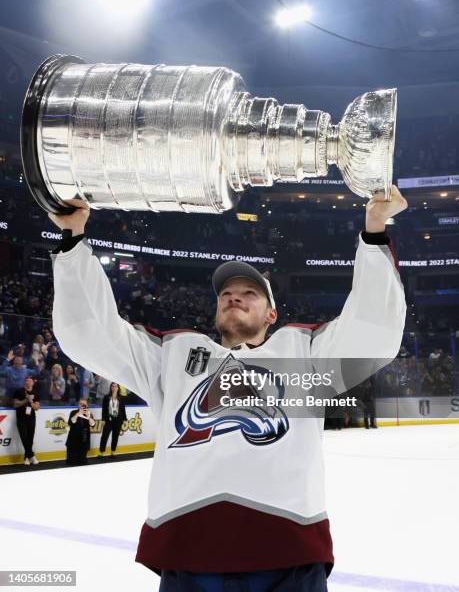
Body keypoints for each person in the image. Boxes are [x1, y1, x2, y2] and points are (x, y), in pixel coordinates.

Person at [48, 186, 408, 591]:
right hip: (188, 559)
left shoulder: (302, 353)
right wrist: (73, 239)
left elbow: (373, 334)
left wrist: (375, 230)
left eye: (248, 294)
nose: (234, 298)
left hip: (289, 559)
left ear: (272, 313)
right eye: (226, 294)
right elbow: (91, 335)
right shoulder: (174, 354)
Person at [13, 376, 40, 465]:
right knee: (24, 437)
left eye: (30, 381)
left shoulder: (35, 393)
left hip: (31, 418)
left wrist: (31, 401)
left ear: (33, 383)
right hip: (21, 418)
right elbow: (16, 404)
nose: (28, 382)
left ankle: (27, 457)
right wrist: (26, 400)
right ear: (25, 382)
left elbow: (36, 408)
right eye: (27, 381)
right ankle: (32, 455)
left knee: (30, 438)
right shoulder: (19, 391)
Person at [98, 382, 127, 458]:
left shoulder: (121, 398)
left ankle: (113, 452)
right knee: (104, 436)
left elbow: (123, 409)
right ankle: (101, 452)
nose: (114, 388)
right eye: (112, 386)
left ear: (118, 388)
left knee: (115, 436)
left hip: (118, 420)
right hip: (108, 420)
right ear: (111, 387)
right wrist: (103, 419)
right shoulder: (106, 397)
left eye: (115, 386)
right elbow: (104, 409)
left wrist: (125, 419)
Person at [65, 397, 95, 465]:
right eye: (81, 404)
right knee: (71, 462)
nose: (82, 406)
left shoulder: (89, 413)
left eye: (84, 404)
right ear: (78, 405)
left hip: (84, 441)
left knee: (82, 462)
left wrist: (89, 417)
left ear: (87, 405)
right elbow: (71, 422)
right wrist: (78, 413)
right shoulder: (73, 412)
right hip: (73, 440)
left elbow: (93, 424)